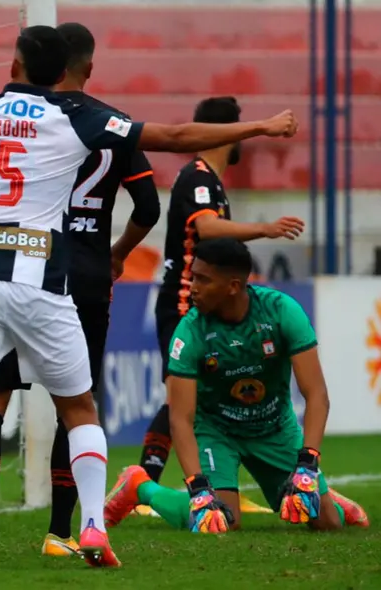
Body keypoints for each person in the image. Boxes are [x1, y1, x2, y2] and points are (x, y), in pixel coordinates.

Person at [0, 25, 298, 569]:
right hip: (44, 286)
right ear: (64, 69)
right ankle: (91, 529)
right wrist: (259, 125)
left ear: (15, 62)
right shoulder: (80, 117)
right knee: (79, 408)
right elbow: (174, 136)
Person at [0, 22, 161, 559]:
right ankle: (62, 533)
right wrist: (116, 254)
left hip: (7, 266)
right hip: (84, 276)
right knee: (77, 406)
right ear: (85, 66)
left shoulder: (6, 120)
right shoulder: (108, 124)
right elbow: (150, 208)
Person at [105, 238, 368, 534]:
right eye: (193, 277)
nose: (193, 287)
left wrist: (307, 464)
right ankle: (140, 486)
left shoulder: (281, 312)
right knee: (218, 522)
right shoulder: (189, 331)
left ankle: (324, 498)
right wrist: (198, 487)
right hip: (217, 432)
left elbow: (317, 395)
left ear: (232, 286)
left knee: (328, 524)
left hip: (275, 428)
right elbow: (180, 418)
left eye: (203, 280)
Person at [137, 97, 305, 498]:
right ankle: (145, 485)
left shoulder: (210, 181)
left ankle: (159, 482)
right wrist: (265, 229)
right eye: (238, 127)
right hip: (184, 300)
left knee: (192, 395)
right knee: (180, 393)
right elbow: (209, 230)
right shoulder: (197, 177)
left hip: (199, 300)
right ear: (226, 131)